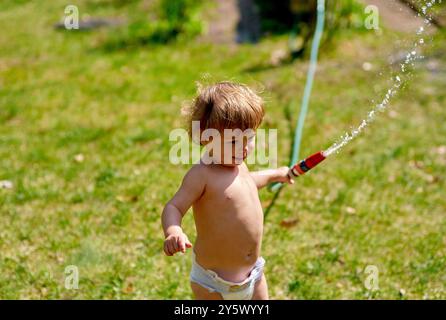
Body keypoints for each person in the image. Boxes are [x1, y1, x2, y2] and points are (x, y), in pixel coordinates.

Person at [161, 82, 293, 300]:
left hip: (254, 274)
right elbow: (174, 206)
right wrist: (173, 231)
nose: (243, 148)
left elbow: (246, 184)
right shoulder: (202, 175)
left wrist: (273, 174)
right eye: (233, 141)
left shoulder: (237, 164)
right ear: (206, 137)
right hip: (213, 283)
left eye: (249, 138)